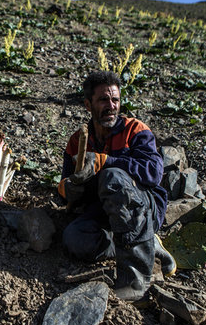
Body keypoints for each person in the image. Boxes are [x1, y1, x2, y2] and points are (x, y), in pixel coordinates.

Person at [57, 70, 176, 301]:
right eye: (103, 100)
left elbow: (153, 173)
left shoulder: (135, 130)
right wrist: (67, 188)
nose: (111, 105)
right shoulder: (78, 140)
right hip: (106, 213)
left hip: (143, 208)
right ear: (88, 105)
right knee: (73, 238)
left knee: (113, 177)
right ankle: (147, 241)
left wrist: (105, 162)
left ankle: (135, 280)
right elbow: (64, 189)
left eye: (115, 100)